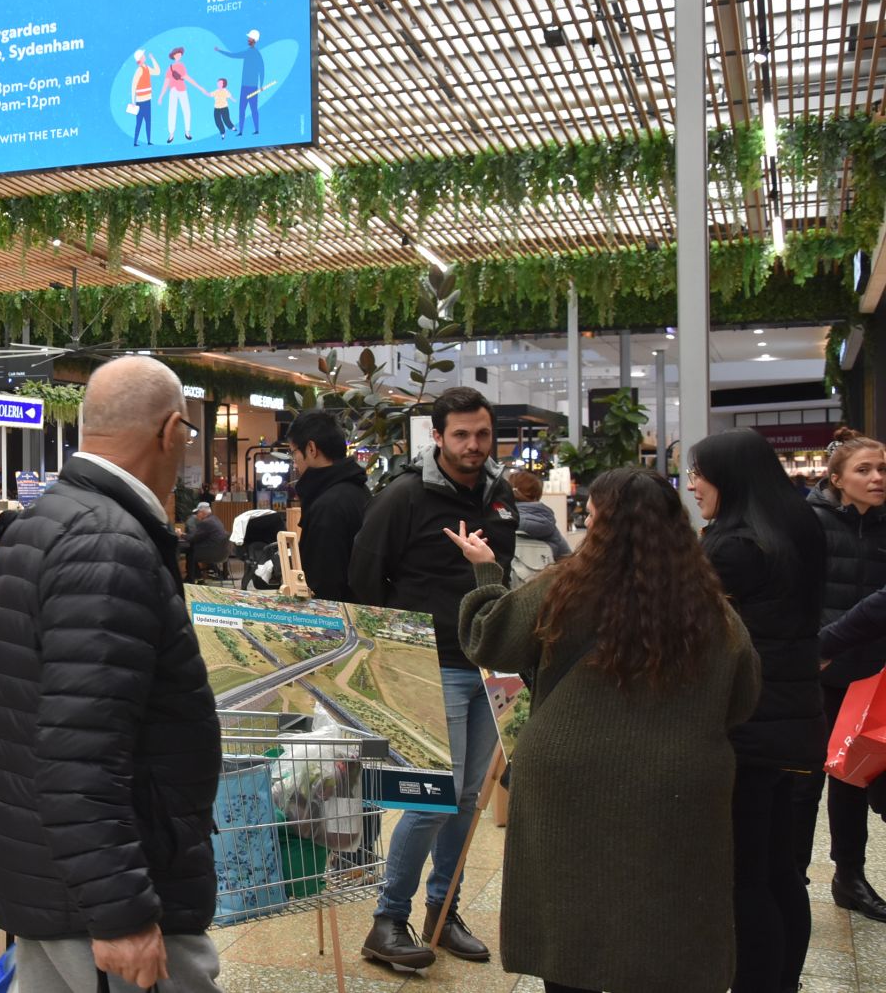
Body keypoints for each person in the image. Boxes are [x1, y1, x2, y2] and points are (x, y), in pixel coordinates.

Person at [452, 466, 761, 993]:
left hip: (567, 779)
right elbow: (742, 700)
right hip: (678, 786)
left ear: (601, 527)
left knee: (571, 922)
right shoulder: (712, 611)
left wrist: (486, 574)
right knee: (665, 918)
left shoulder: (565, 590)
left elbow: (491, 640)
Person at [0, 356, 221, 993]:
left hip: (55, 875)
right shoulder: (108, 542)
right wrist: (122, 913)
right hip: (109, 889)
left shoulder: (47, 521)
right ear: (171, 432)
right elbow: (80, 752)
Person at [349, 387, 518, 972]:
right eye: (461, 435)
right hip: (431, 666)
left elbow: (502, 579)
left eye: (482, 434)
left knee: (467, 800)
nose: (473, 446)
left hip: (492, 667)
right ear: (438, 437)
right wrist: (388, 658)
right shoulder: (404, 498)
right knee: (430, 799)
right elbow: (365, 577)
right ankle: (387, 920)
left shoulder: (500, 497)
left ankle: (443, 913)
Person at [688, 428, 828, 992]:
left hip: (748, 722)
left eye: (700, 473)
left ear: (731, 477)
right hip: (791, 720)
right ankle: (784, 980)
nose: (693, 484)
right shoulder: (798, 526)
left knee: (745, 875)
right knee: (778, 868)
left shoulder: (734, 546)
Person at [794, 428, 886, 923]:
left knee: (857, 777)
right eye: (864, 470)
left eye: (883, 469)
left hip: (876, 675)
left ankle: (849, 875)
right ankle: (795, 874)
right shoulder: (810, 523)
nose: (877, 478)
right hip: (821, 668)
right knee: (809, 774)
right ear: (837, 479)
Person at [287, 409, 369, 601]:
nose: (295, 462)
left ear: (311, 449)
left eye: (294, 453)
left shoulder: (328, 506)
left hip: (336, 622)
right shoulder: (358, 489)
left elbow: (323, 584)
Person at [508, 470, 571, 560]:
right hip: (545, 572)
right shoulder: (546, 522)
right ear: (538, 494)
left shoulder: (501, 519)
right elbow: (567, 559)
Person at [214, 30, 264, 134]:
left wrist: (261, 85)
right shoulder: (250, 52)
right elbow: (261, 70)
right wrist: (220, 51)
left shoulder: (254, 54)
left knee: (250, 109)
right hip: (246, 86)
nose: (248, 39)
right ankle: (243, 131)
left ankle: (254, 130)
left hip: (251, 87)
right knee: (244, 110)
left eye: (249, 38)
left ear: (253, 40)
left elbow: (261, 70)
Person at [158, 46, 202, 143]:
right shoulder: (170, 68)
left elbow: (186, 77)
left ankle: (187, 132)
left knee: (186, 110)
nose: (179, 55)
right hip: (173, 91)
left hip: (182, 90)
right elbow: (166, 82)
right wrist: (161, 95)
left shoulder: (181, 65)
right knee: (172, 111)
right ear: (173, 56)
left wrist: (199, 87)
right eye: (177, 54)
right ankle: (171, 134)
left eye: (180, 54)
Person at [182, 500, 229, 581]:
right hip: (223, 554)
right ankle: (198, 576)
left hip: (212, 554)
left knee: (190, 553)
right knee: (192, 551)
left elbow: (193, 538)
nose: (196, 515)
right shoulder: (215, 519)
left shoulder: (205, 523)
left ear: (202, 513)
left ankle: (192, 579)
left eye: (197, 513)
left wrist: (181, 534)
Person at [128, 49, 160, 147]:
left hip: (147, 100)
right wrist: (133, 101)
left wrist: (153, 59)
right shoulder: (139, 70)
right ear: (140, 59)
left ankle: (149, 141)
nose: (144, 56)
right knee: (139, 122)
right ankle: (135, 142)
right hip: (140, 102)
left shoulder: (146, 68)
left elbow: (158, 72)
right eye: (143, 55)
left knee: (148, 121)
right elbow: (133, 85)